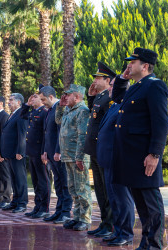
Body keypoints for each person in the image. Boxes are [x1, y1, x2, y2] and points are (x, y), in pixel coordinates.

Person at [112, 48, 168, 250]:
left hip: (144, 156)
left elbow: (161, 123)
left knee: (151, 204)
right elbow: (118, 98)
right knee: (141, 204)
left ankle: (154, 245)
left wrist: (154, 154)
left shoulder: (154, 86)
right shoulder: (137, 86)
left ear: (145, 66)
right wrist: (121, 78)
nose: (128, 65)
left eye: (132, 62)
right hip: (131, 156)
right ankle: (146, 242)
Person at [96, 77, 135, 246]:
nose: (110, 88)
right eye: (111, 85)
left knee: (122, 199)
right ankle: (117, 231)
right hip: (107, 160)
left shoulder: (124, 106)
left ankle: (126, 233)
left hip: (117, 159)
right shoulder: (114, 106)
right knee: (113, 199)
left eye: (112, 86)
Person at [55, 84, 92, 231]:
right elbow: (57, 121)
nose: (65, 97)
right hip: (68, 156)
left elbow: (82, 136)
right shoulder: (69, 110)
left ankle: (85, 218)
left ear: (77, 96)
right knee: (73, 189)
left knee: (82, 189)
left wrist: (80, 157)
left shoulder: (82, 111)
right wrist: (60, 106)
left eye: (68, 95)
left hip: (78, 157)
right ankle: (77, 217)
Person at [85, 62, 115, 238]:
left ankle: (109, 224)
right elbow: (94, 116)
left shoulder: (109, 98)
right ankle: (104, 222)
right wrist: (90, 96)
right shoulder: (99, 96)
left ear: (108, 80)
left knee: (106, 188)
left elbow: (107, 123)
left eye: (98, 78)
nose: (95, 80)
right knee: (99, 189)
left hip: (102, 149)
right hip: (94, 149)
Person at [39, 86, 73, 224]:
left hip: (59, 153)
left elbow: (61, 131)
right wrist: (46, 150)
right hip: (51, 152)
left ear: (51, 96)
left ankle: (65, 212)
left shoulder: (61, 108)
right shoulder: (51, 110)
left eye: (43, 99)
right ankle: (59, 211)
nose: (42, 102)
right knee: (58, 183)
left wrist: (58, 151)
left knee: (64, 183)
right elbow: (47, 132)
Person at [20, 87, 51, 219]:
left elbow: (46, 134)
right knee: (35, 181)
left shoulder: (44, 112)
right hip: (32, 151)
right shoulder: (33, 112)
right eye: (32, 96)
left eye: (35, 97)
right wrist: (26, 104)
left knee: (43, 181)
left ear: (41, 99)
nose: (32, 98)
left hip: (40, 152)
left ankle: (44, 207)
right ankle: (37, 206)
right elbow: (22, 115)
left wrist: (45, 151)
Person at [0, 93, 29, 213]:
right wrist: (2, 151)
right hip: (9, 153)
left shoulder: (21, 113)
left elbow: (22, 133)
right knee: (14, 179)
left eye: (11, 100)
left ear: (19, 102)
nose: (9, 102)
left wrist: (20, 150)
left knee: (20, 179)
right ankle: (15, 201)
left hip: (17, 153)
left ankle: (22, 203)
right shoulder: (12, 114)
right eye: (9, 100)